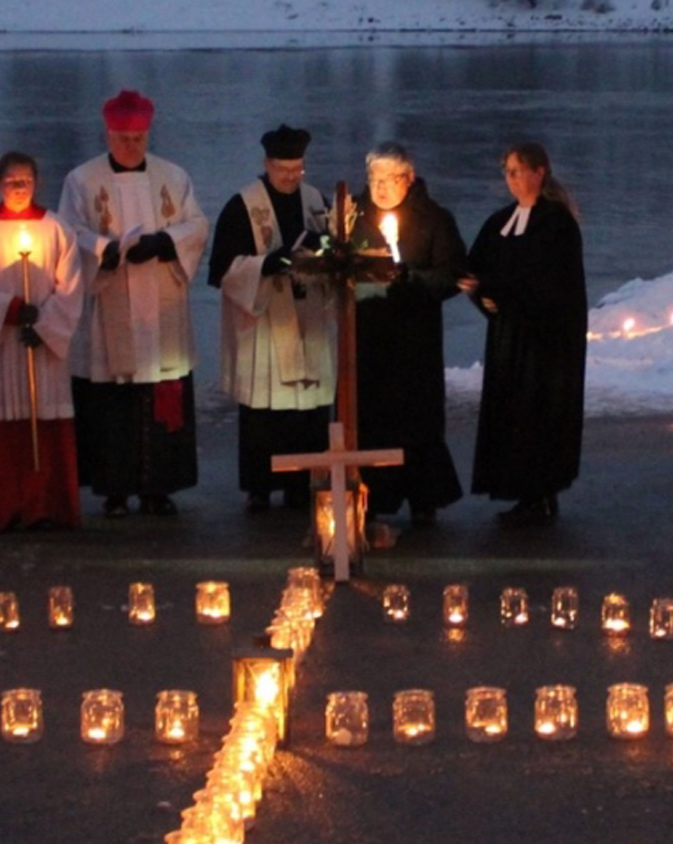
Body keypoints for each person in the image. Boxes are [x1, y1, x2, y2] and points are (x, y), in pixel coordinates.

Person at [57, 90, 208, 518]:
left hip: (162, 303)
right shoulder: (81, 180)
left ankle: (160, 487)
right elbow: (68, 232)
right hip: (112, 303)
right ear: (108, 134)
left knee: (163, 392)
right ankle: (115, 489)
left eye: (139, 139)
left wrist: (166, 242)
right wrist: (103, 250)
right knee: (111, 402)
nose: (131, 147)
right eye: (123, 139)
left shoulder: (173, 176)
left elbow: (196, 225)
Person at [0, 151, 85, 531]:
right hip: (1, 347)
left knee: (44, 420)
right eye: (12, 182)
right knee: (2, 422)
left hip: (41, 346)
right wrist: (11, 310)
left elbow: (72, 287)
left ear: (37, 183)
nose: (19, 189)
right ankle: (3, 507)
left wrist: (44, 324)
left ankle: (47, 506)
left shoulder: (58, 230)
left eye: (26, 181)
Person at [208, 124, 336, 512]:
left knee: (308, 407)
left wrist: (325, 247)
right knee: (266, 408)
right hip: (266, 318)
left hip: (308, 314)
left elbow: (333, 241)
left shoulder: (315, 200)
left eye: (298, 169)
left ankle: (305, 481)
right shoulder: (242, 206)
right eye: (284, 170)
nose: (292, 177)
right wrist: (268, 264)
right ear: (267, 164)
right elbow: (223, 270)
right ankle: (260, 487)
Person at [460, 142, 589, 523]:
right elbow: (475, 270)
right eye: (507, 171)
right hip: (509, 338)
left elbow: (553, 283)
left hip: (545, 340)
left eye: (517, 170)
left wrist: (503, 295)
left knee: (540, 413)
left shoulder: (557, 223)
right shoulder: (500, 221)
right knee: (511, 411)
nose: (511, 178)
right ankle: (522, 493)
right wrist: (482, 295)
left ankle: (541, 493)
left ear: (540, 172)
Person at [349, 141, 467, 527]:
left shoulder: (435, 219)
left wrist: (410, 280)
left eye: (390, 179)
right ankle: (373, 496)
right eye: (374, 179)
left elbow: (453, 275)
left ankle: (423, 498)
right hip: (366, 337)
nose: (380, 188)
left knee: (417, 420)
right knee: (371, 415)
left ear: (410, 178)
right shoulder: (352, 214)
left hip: (415, 338)